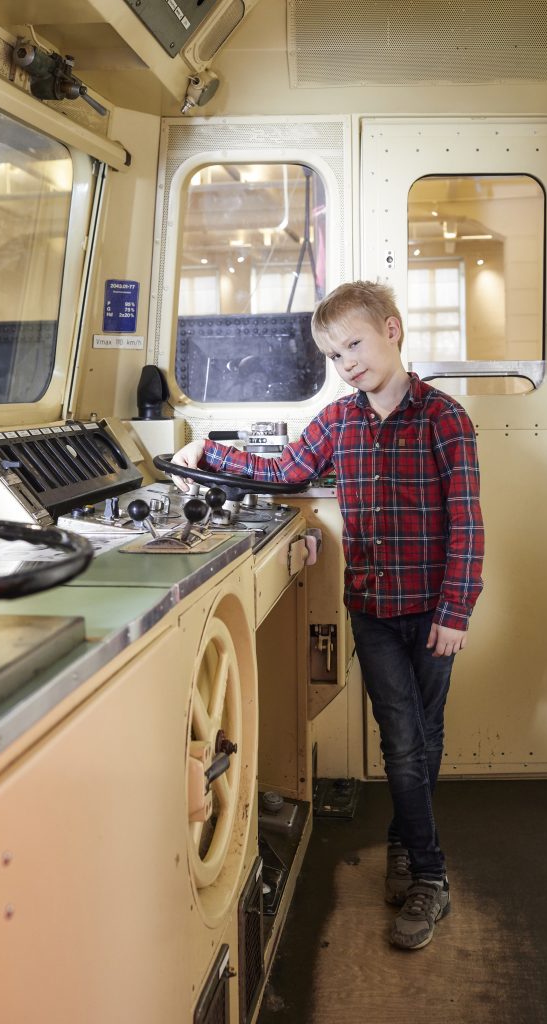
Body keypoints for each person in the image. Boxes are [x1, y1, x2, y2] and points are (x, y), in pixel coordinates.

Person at [172, 280, 484, 950]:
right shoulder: (338, 420)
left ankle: (404, 845)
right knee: (401, 741)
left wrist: (456, 610)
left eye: (354, 345)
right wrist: (206, 454)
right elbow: (285, 471)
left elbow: (467, 525)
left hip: (434, 611)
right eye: (335, 355)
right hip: (373, 611)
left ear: (392, 330)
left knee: (423, 738)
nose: (347, 363)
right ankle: (431, 876)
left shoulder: (444, 419)